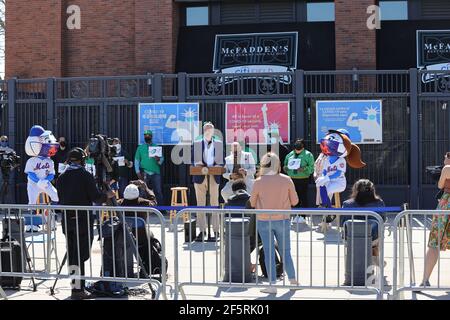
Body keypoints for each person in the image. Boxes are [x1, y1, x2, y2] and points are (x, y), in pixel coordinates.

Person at [56, 147, 115, 300]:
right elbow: (96, 197)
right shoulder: (85, 175)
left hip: (67, 222)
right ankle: (78, 290)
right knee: (81, 255)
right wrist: (107, 195)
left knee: (73, 255)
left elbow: (60, 198)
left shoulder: (61, 177)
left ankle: (76, 288)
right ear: (82, 160)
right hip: (82, 222)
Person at [250, 152, 299, 294]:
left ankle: (272, 285)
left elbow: (252, 203)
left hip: (264, 220)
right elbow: (295, 201)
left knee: (269, 252)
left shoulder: (258, 182)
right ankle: (293, 280)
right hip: (283, 219)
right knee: (286, 251)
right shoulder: (287, 179)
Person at [418, 152, 450, 289]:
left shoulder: (447, 168)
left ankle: (425, 280)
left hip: (446, 204)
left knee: (434, 242)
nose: (444, 159)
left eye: (446, 156)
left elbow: (440, 185)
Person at [192, 122, 224, 241]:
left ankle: (216, 231)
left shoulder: (219, 144)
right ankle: (202, 230)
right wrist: (198, 164)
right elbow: (193, 160)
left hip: (213, 175)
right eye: (206, 128)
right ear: (203, 131)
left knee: (214, 203)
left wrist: (217, 165)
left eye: (210, 129)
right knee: (200, 203)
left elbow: (221, 161)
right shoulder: (197, 144)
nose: (208, 130)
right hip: (200, 175)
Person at [117, 183, 157, 277]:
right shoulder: (144, 203)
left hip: (123, 236)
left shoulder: (118, 204)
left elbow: (108, 202)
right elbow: (154, 201)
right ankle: (147, 264)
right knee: (150, 236)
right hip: (141, 237)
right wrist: (146, 187)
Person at [341, 179, 385, 262]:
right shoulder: (379, 203)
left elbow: (342, 222)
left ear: (355, 190)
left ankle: (351, 261)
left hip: (350, 238)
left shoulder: (346, 204)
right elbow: (383, 219)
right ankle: (374, 257)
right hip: (373, 238)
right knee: (377, 233)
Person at [283, 139, 315, 223]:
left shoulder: (308, 155)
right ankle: (295, 215)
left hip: (303, 179)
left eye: (299, 150)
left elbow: (312, 168)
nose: (297, 151)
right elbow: (285, 165)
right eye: (296, 150)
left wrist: (303, 169)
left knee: (303, 197)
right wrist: (285, 168)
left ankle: (303, 216)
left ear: (303, 148)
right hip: (292, 179)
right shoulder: (290, 154)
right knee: (293, 197)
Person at [134, 130, 164, 206]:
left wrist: (158, 160)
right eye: (145, 135)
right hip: (144, 172)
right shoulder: (140, 148)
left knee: (158, 191)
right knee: (142, 191)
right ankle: (142, 209)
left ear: (151, 136)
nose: (147, 136)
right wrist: (137, 172)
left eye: (148, 135)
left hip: (155, 172)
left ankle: (161, 210)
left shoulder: (157, 147)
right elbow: (136, 160)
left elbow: (162, 159)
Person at [0, 135, 18, 204]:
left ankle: (11, 206)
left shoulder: (11, 151)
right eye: (2, 141)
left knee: (10, 188)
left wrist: (12, 167)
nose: (4, 142)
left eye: (6, 141)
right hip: (0, 171)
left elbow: (16, 162)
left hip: (9, 171)